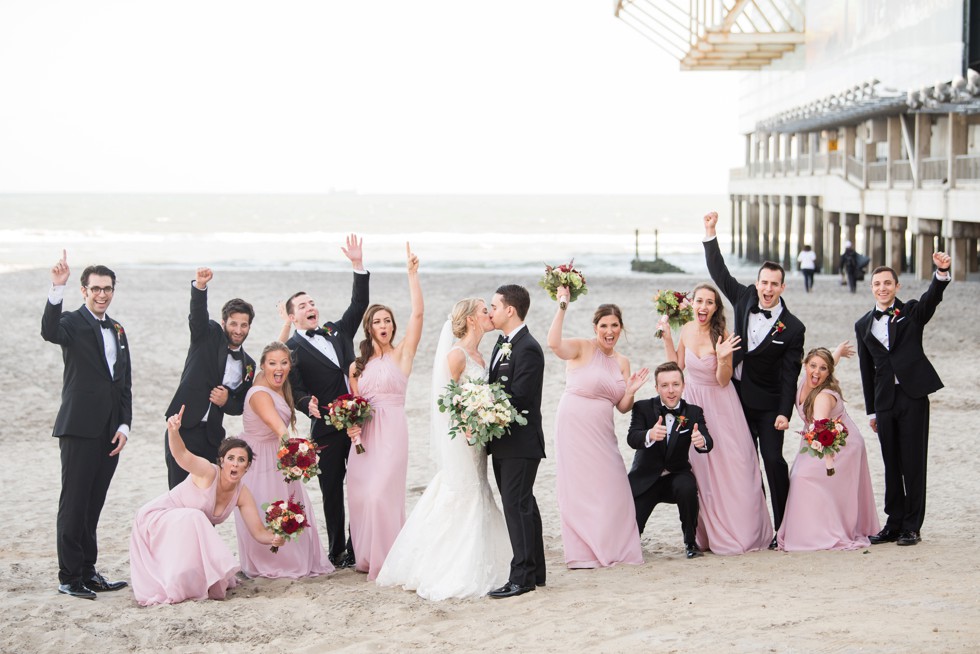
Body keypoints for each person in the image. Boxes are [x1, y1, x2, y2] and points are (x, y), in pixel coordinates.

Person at [376, 298, 511, 600]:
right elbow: (447, 400)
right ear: (472, 319)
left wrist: (487, 418)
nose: (490, 314)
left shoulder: (480, 355)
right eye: (484, 310)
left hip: (479, 439)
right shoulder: (457, 355)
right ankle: (445, 564)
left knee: (478, 487)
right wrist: (467, 423)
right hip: (462, 438)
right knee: (463, 491)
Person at [702, 211, 805, 544]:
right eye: (764, 282)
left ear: (782, 287)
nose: (768, 289)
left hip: (769, 407)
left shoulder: (793, 328)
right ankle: (755, 528)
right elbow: (719, 272)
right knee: (744, 464)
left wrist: (784, 413)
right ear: (758, 283)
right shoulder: (745, 297)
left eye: (774, 284)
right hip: (735, 399)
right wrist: (710, 233)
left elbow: (791, 374)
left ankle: (786, 527)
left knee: (773, 461)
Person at [42, 250, 131, 600]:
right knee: (74, 503)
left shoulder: (119, 328)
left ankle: (88, 571)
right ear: (84, 290)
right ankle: (69, 577)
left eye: (107, 288)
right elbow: (49, 331)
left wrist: (124, 426)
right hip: (79, 427)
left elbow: (123, 383)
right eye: (95, 288)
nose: (102, 294)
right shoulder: (72, 323)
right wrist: (56, 288)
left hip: (110, 431)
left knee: (94, 504)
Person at [130, 407, 285, 605]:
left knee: (194, 519)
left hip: (182, 531)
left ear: (247, 467)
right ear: (221, 461)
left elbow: (258, 531)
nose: (235, 464)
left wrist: (275, 538)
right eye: (230, 459)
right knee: (195, 517)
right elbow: (181, 455)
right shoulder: (207, 472)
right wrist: (173, 431)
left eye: (241, 460)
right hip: (157, 518)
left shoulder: (242, 494)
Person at [660, 283, 773, 555]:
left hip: (721, 403)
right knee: (702, 471)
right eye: (700, 301)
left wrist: (723, 359)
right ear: (693, 304)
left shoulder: (722, 334)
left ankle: (740, 530)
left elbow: (724, 381)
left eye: (710, 302)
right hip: (694, 403)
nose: (703, 306)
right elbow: (677, 368)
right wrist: (666, 338)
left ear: (716, 308)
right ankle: (707, 534)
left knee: (733, 465)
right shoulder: (686, 329)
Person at [855, 253, 951, 547]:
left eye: (887, 283)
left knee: (913, 462)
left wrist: (941, 273)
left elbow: (930, 299)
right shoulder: (862, 325)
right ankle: (893, 523)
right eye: (877, 284)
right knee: (891, 462)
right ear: (871, 288)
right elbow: (865, 369)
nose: (882, 288)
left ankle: (912, 526)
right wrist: (871, 411)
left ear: (896, 286)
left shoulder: (910, 312)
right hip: (884, 401)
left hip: (913, 395)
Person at [547, 291, 648, 568]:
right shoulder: (582, 347)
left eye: (614, 325)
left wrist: (631, 391)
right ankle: (583, 551)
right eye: (604, 325)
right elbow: (553, 343)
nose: (609, 330)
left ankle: (613, 546)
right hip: (573, 424)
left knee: (613, 484)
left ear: (621, 328)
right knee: (579, 486)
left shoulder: (622, 362)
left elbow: (623, 406)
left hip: (603, 431)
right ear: (596, 328)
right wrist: (562, 306)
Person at [285, 234, 369, 569]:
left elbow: (358, 306)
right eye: (303, 306)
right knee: (332, 490)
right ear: (292, 317)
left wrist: (358, 266)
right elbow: (296, 388)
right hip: (324, 428)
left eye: (311, 303)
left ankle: (359, 542)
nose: (310, 308)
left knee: (362, 485)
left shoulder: (337, 331)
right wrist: (307, 404)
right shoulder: (291, 349)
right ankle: (337, 551)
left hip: (356, 421)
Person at [346, 244, 424, 580]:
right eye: (377, 321)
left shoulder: (402, 355)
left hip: (392, 430)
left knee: (382, 494)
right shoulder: (357, 365)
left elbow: (418, 315)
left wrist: (412, 275)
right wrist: (350, 426)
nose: (384, 325)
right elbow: (352, 405)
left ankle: (391, 556)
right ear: (369, 327)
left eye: (388, 321)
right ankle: (366, 557)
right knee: (362, 494)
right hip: (364, 438)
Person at [234, 342, 333, 578]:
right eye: (272, 363)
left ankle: (291, 556)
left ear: (290, 365)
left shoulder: (279, 386)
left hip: (278, 455)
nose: (278, 367)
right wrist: (295, 450)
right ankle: (271, 560)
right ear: (262, 367)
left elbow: (277, 351)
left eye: (284, 362)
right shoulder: (259, 393)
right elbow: (277, 427)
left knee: (290, 506)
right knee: (265, 506)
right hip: (260, 458)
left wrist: (287, 324)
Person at [777, 344, 880, 551]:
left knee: (803, 477)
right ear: (805, 365)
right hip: (818, 437)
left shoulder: (822, 397)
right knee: (799, 474)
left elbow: (820, 426)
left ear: (829, 372)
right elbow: (825, 363)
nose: (816, 371)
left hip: (839, 444)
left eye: (823, 369)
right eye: (812, 366)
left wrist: (827, 461)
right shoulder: (808, 379)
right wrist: (838, 353)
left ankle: (822, 532)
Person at [164, 267, 256, 489]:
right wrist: (200, 287)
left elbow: (240, 405)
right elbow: (197, 316)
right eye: (233, 323)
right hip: (183, 427)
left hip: (212, 437)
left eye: (244, 325)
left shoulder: (249, 364)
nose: (238, 329)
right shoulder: (207, 335)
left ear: (249, 327)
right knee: (179, 493)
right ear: (224, 323)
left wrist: (227, 401)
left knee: (207, 496)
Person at [486, 284, 546, 598]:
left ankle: (522, 577)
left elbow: (520, 396)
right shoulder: (503, 343)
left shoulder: (529, 348)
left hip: (521, 443)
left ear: (510, 309)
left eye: (494, 306)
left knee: (516, 506)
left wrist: (482, 403)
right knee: (525, 504)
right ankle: (536, 572)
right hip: (504, 443)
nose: (490, 311)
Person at [627, 362, 713, 559]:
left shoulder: (693, 412)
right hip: (646, 479)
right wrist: (649, 434)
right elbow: (632, 438)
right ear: (656, 388)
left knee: (688, 487)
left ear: (683, 386)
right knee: (630, 538)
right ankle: (635, 540)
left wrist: (701, 442)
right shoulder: (643, 408)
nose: (671, 390)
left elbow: (708, 440)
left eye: (675, 384)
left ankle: (690, 543)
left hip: (676, 475)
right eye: (664, 385)